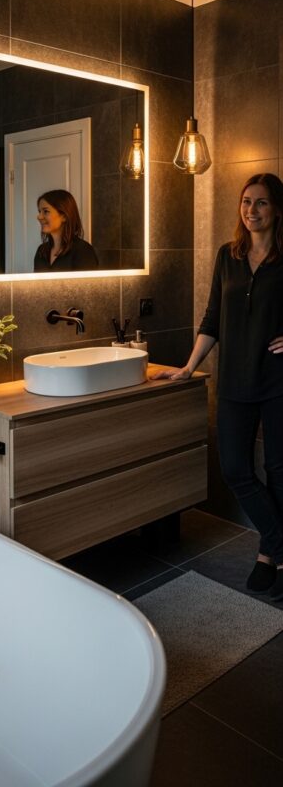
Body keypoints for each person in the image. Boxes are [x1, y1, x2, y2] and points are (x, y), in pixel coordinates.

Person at [152, 173, 283, 600]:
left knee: (279, 472)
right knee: (234, 469)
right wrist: (189, 367)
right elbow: (212, 318)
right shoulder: (228, 256)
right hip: (234, 380)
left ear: (276, 209)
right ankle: (281, 543)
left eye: (261, 203)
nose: (252, 211)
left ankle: (268, 555)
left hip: (278, 380)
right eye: (246, 202)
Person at [33, 189, 99, 272]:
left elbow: (88, 285)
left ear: (64, 216)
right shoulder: (41, 251)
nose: (39, 217)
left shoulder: (82, 251)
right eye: (39, 211)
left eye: (46, 211)